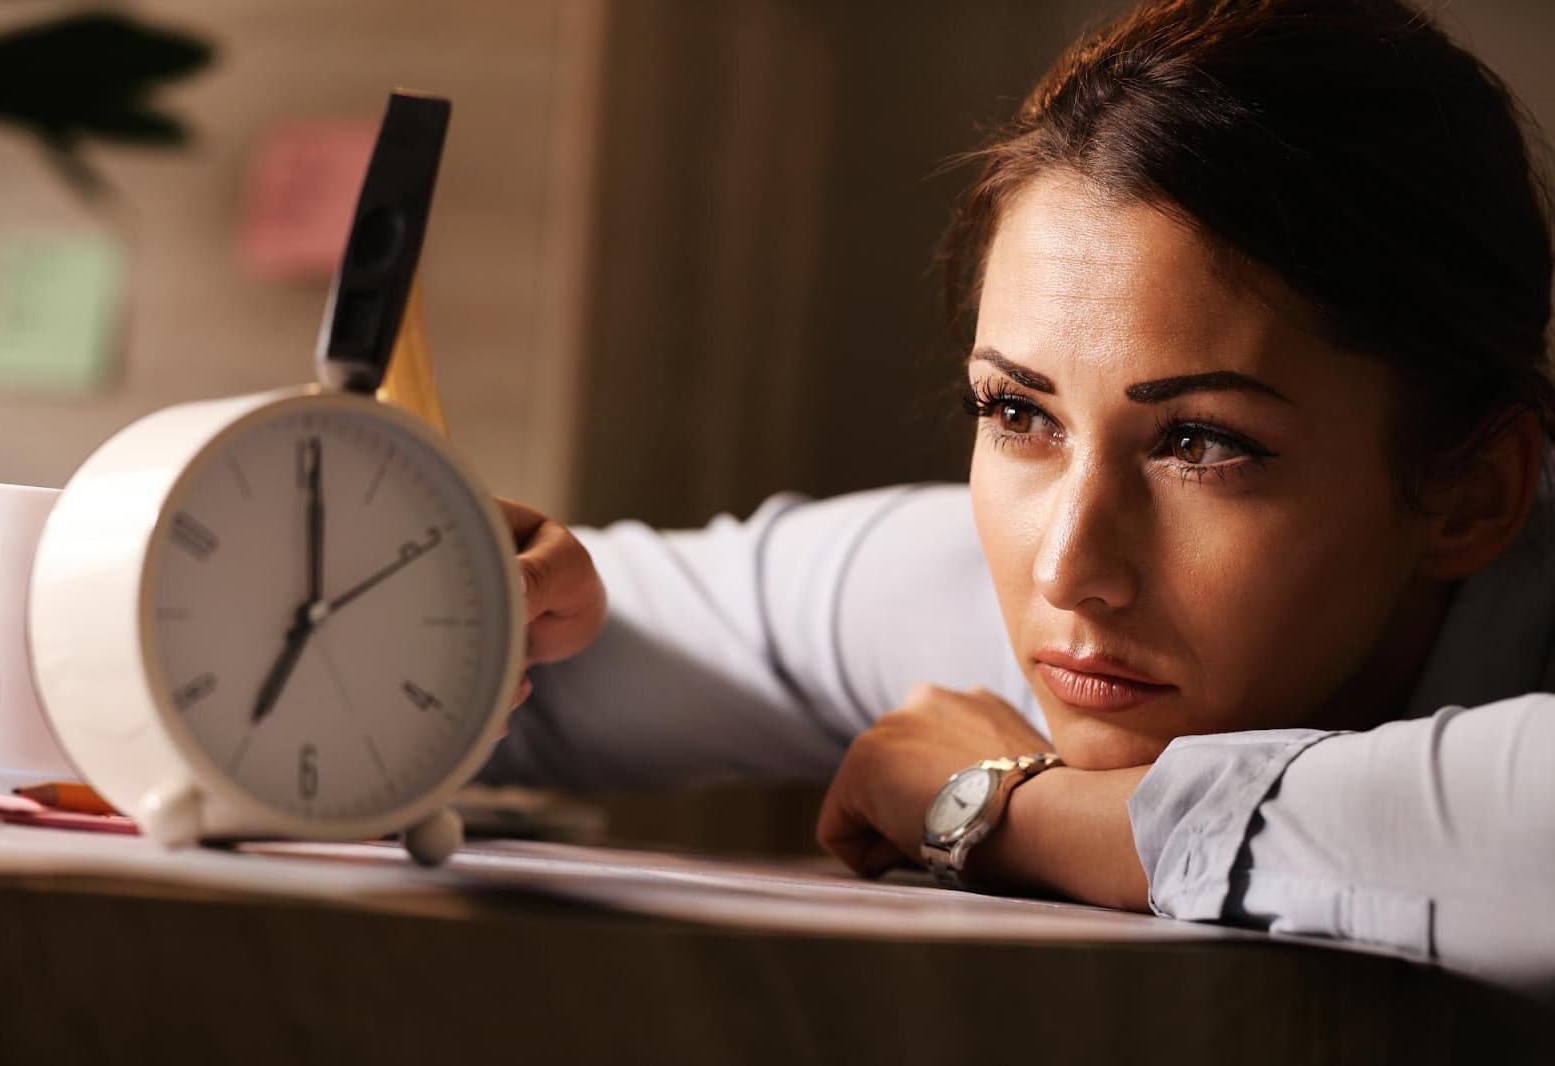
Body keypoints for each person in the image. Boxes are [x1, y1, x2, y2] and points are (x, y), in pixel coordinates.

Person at [483, 0, 1555, 1001]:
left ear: (1470, 494)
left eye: (1201, 442)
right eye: (1018, 413)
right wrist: (438, 578)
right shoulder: (977, 592)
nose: (1065, 568)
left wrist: (1005, 807)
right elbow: (458, 673)